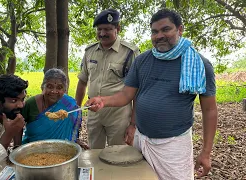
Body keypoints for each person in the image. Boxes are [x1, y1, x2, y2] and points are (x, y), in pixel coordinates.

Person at [86, 9, 218, 180]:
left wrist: (206, 153)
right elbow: (126, 95)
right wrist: (103, 100)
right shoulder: (142, 60)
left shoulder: (199, 64)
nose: (159, 36)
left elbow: (209, 111)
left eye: (166, 29)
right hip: (141, 140)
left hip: (174, 145)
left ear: (180, 29)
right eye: (154, 31)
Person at [75, 8, 140, 149]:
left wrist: (133, 124)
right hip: (94, 113)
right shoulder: (89, 51)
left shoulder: (130, 53)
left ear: (118, 29)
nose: (102, 33)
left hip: (119, 114)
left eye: (107, 29)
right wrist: (76, 110)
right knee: (94, 153)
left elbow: (136, 91)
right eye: (99, 29)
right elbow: (82, 82)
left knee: (118, 154)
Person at [14, 68, 89, 149]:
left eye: (59, 87)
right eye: (50, 86)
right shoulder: (31, 104)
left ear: (64, 90)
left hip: (62, 150)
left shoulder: (69, 105)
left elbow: (72, 129)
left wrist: (75, 141)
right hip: (33, 150)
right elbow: (17, 125)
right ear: (43, 87)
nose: (54, 91)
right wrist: (17, 147)